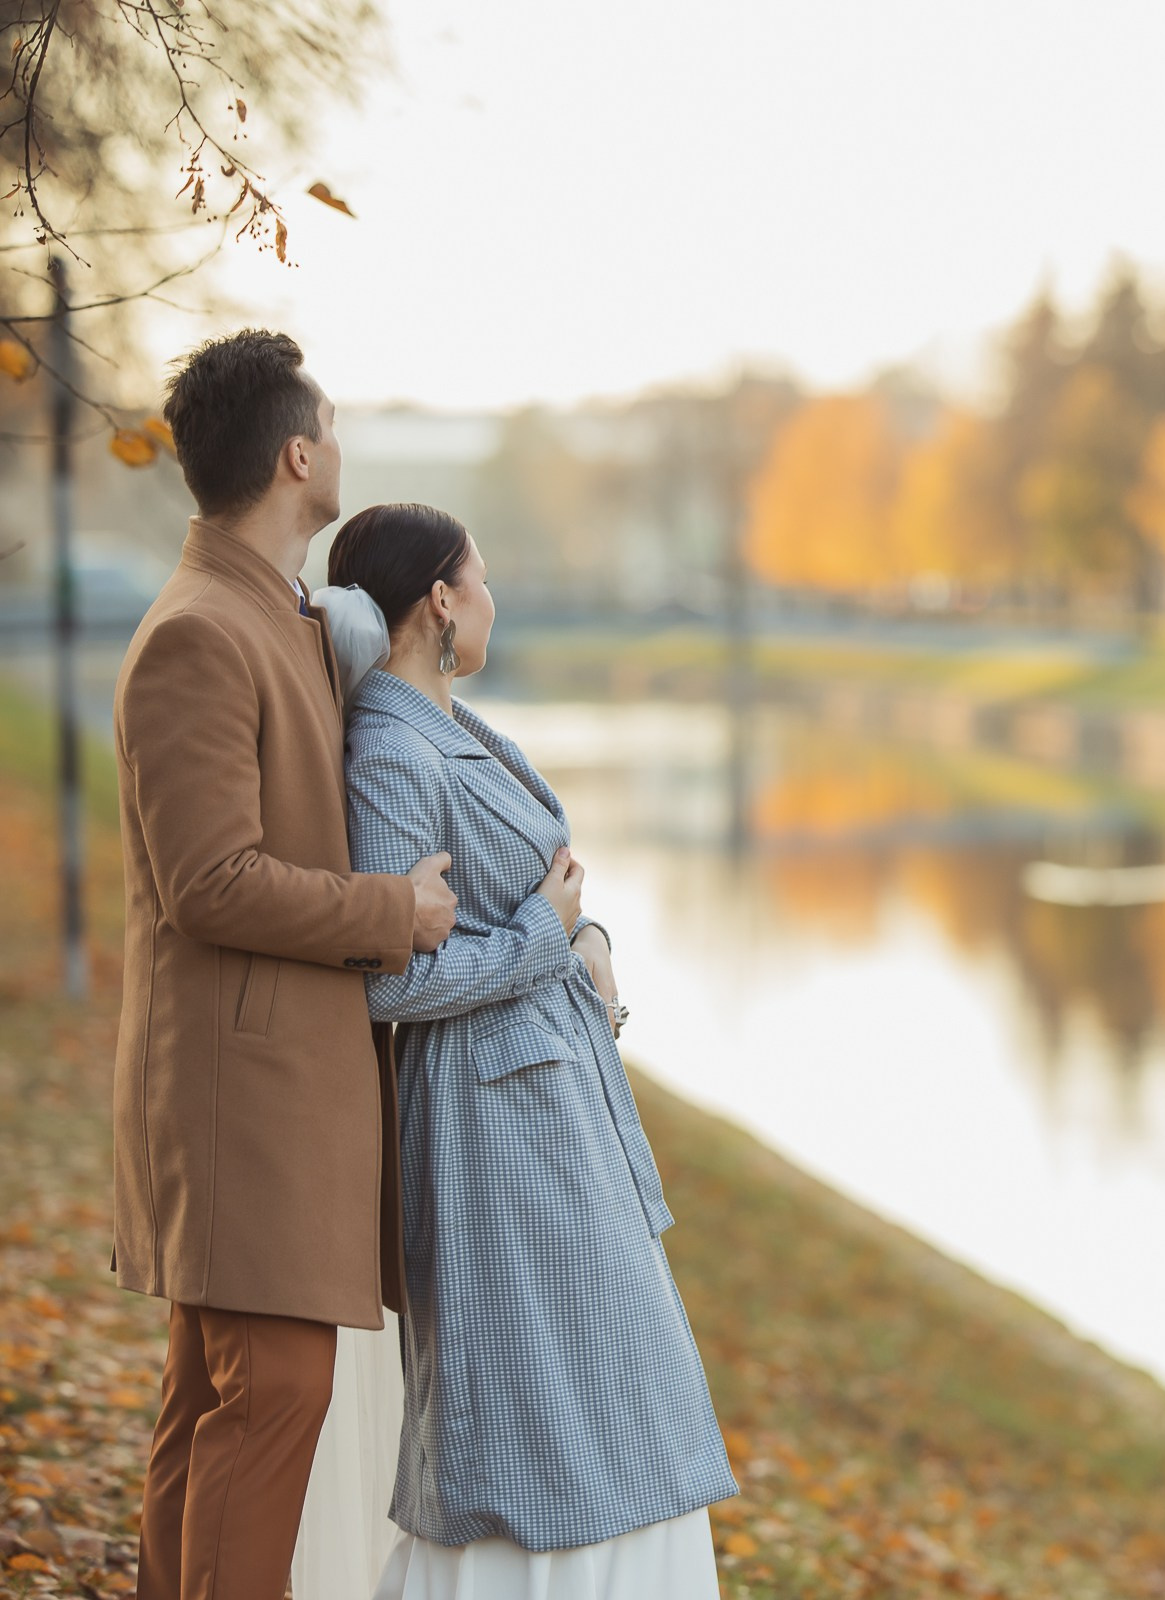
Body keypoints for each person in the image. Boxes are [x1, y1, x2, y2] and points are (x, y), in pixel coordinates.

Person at [317, 502, 736, 1598]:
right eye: (482, 578)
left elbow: (544, 893)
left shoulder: (450, 722)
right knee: (540, 1405)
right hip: (492, 1129)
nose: (494, 598)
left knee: (619, 1392)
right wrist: (543, 940)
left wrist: (583, 936)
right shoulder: (391, 749)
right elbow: (394, 980)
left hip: (551, 1109)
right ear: (440, 600)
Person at [113, 329, 458, 1600]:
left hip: (268, 1095)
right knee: (271, 1402)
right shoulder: (199, 634)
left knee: (213, 1399)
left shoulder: (281, 617)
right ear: (298, 453)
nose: (344, 450)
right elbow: (210, 882)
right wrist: (393, 912)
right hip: (238, 1098)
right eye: (336, 429)